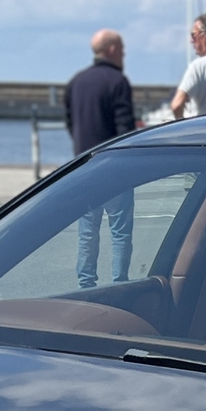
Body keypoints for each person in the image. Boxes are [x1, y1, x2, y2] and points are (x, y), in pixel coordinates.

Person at [66, 29, 138, 286]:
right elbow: (124, 131)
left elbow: (70, 123)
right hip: (115, 170)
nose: (124, 54)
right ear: (111, 50)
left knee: (88, 232)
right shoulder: (117, 82)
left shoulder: (77, 82)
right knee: (119, 232)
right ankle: (120, 284)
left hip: (86, 167)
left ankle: (85, 284)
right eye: (121, 49)